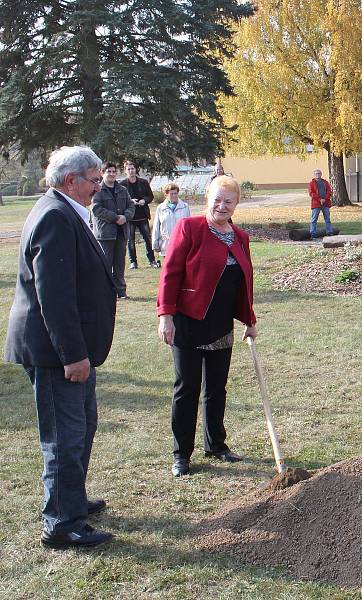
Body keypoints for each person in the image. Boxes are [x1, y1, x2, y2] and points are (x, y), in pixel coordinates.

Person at [3, 146, 117, 549]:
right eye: (93, 179)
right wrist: (73, 355)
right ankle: (61, 523)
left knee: (82, 427)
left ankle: (72, 499)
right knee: (64, 436)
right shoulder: (54, 215)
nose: (98, 186)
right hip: (57, 353)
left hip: (71, 347)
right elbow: (54, 295)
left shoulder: (65, 209)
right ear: (71, 180)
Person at [157, 176, 257, 478]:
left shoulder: (240, 236)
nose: (222, 206)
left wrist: (249, 320)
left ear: (236, 204)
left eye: (229, 201)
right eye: (217, 199)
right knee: (186, 389)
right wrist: (166, 315)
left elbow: (244, 284)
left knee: (216, 389)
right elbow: (170, 273)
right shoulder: (190, 228)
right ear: (206, 198)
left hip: (221, 325)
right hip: (188, 323)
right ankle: (181, 455)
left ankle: (216, 444)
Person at [91, 162, 135, 299]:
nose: (111, 174)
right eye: (108, 171)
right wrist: (115, 218)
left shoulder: (122, 189)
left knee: (119, 265)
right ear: (102, 173)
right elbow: (96, 209)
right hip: (105, 234)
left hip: (121, 232)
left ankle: (121, 292)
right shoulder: (97, 190)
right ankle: (104, 292)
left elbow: (131, 206)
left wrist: (125, 217)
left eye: (113, 171)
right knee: (105, 264)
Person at [120, 160, 158, 268]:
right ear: (125, 171)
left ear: (136, 169)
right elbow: (120, 200)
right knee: (130, 240)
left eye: (133, 168)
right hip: (130, 217)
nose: (131, 171)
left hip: (143, 215)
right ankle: (133, 262)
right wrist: (130, 201)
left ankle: (152, 260)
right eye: (129, 169)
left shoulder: (144, 182)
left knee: (147, 238)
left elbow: (150, 196)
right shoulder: (122, 185)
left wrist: (144, 201)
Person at [152, 182, 191, 258]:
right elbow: (156, 227)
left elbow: (189, 226)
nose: (174, 196)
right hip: (166, 244)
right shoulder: (160, 208)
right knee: (168, 268)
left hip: (181, 243)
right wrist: (155, 243)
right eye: (171, 194)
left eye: (175, 193)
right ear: (166, 195)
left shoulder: (185, 207)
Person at [308, 169, 334, 238]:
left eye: (319, 173)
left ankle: (329, 232)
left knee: (327, 219)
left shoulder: (325, 182)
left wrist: (325, 199)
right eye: (316, 173)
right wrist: (320, 199)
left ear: (321, 174)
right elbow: (311, 193)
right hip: (316, 204)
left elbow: (329, 191)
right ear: (314, 175)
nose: (317, 175)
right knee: (314, 219)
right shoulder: (311, 183)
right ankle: (313, 233)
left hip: (325, 203)